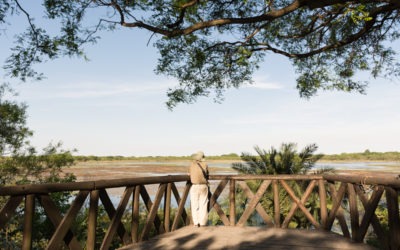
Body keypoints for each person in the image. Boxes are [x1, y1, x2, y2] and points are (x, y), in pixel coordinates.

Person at [189, 151, 209, 227]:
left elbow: (189, 173)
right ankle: (203, 223)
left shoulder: (192, 165)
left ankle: (196, 223)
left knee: (194, 205)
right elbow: (207, 174)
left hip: (194, 186)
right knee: (203, 204)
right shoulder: (205, 164)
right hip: (203, 186)